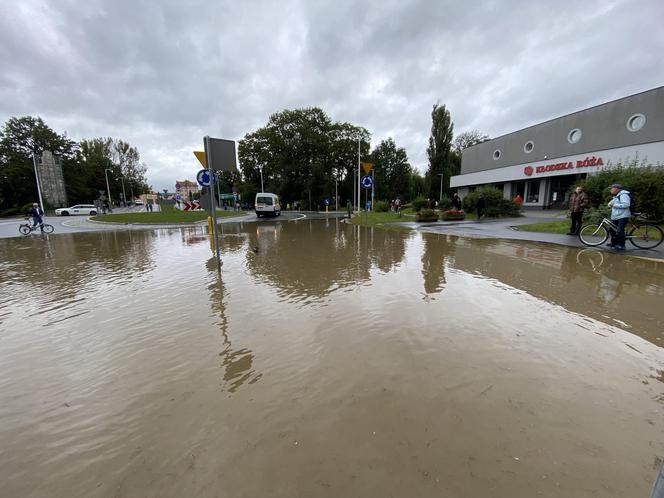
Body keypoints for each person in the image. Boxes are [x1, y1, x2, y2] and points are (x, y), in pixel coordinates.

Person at [607, 183, 631, 250]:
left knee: (620, 230)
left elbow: (626, 204)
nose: (610, 190)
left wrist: (614, 205)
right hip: (616, 216)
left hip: (623, 216)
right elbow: (611, 202)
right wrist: (609, 204)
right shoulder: (617, 196)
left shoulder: (623, 195)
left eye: (611, 188)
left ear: (616, 189)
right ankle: (614, 243)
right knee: (612, 229)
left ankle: (621, 245)